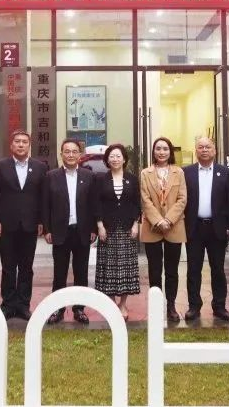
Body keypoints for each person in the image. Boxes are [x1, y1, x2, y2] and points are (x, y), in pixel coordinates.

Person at [0, 130, 49, 320]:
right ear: (11, 145)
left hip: (30, 225)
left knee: (26, 267)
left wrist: (42, 222)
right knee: (8, 267)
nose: (21, 144)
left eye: (24, 142)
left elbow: (44, 198)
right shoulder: (0, 166)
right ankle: (8, 304)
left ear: (29, 145)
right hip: (6, 225)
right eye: (17, 141)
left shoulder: (40, 167)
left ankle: (23, 305)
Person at [41, 138, 98, 324]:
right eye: (67, 151)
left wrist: (93, 228)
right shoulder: (51, 176)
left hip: (82, 231)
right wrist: (47, 229)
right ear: (61, 154)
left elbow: (93, 204)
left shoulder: (89, 176)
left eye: (74, 151)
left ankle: (79, 309)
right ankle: (57, 309)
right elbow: (45, 205)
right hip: (60, 231)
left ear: (79, 155)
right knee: (60, 273)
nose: (71, 155)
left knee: (81, 272)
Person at [182, 136, 229, 321]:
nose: (204, 150)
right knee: (193, 269)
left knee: (218, 269)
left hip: (217, 228)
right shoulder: (186, 172)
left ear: (214, 150)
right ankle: (194, 306)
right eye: (201, 147)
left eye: (208, 147)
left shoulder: (225, 172)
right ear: (196, 150)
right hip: (194, 227)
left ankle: (219, 306)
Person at [139, 136, 188, 322]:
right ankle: (156, 306)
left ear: (170, 152)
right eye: (158, 149)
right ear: (153, 151)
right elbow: (145, 199)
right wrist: (159, 221)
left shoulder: (178, 172)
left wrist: (169, 219)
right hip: (152, 227)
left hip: (174, 226)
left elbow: (182, 198)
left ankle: (171, 306)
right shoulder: (145, 173)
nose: (161, 152)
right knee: (154, 270)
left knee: (172, 270)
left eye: (165, 149)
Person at [94, 143, 141, 318]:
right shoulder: (100, 179)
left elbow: (137, 203)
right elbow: (96, 203)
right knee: (109, 267)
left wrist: (136, 223)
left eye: (118, 156)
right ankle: (112, 303)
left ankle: (123, 304)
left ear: (124, 159)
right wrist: (100, 225)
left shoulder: (132, 179)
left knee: (126, 268)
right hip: (108, 229)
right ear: (107, 160)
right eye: (111, 156)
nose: (115, 159)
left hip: (127, 229)